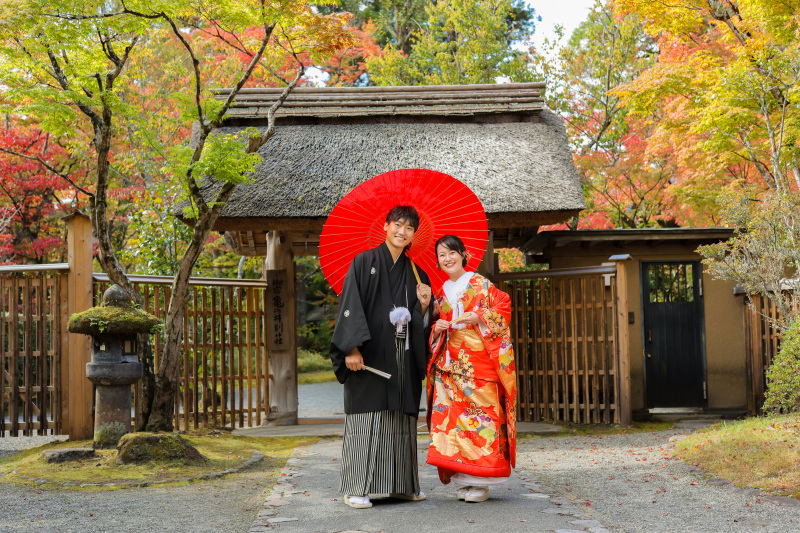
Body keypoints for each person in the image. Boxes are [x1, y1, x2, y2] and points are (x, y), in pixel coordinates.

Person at [329, 205, 433, 509]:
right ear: (385, 226)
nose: (402, 232)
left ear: (414, 234)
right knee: (367, 418)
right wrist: (351, 348)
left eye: (409, 228)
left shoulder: (418, 273)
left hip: (403, 356)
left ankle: (401, 486)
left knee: (400, 420)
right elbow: (350, 305)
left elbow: (422, 321)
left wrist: (424, 306)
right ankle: (356, 487)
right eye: (397, 225)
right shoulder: (364, 262)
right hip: (369, 356)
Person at [426, 234, 517, 503]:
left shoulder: (481, 284)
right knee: (451, 423)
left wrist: (479, 316)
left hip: (480, 365)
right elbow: (436, 328)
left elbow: (504, 307)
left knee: (481, 421)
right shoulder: (440, 293)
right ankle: (463, 480)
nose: (447, 259)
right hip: (448, 368)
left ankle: (482, 481)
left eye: (452, 252)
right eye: (442, 255)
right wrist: (437, 327)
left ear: (463, 254)